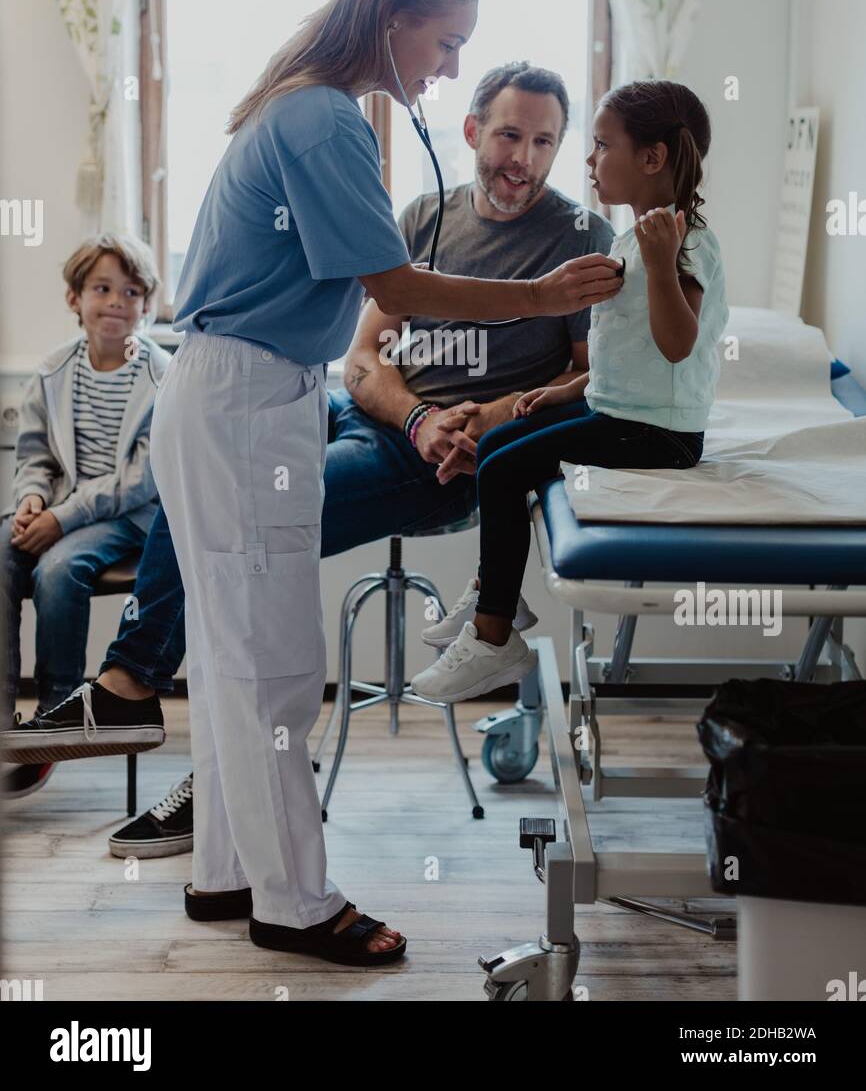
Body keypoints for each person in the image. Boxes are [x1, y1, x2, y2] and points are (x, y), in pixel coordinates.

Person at [142, 0, 623, 967]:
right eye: (445, 41)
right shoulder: (322, 120)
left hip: (242, 392)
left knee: (237, 661)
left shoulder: (311, 104)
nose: (446, 64)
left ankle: (228, 872)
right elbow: (394, 291)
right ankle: (297, 903)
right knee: (273, 665)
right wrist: (539, 296)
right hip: (244, 400)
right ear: (392, 19)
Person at [2, 59, 616, 868]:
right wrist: (419, 409)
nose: (523, 159)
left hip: (445, 465)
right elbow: (362, 358)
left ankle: (188, 752)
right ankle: (149, 704)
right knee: (202, 494)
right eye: (508, 134)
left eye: (544, 142)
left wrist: (483, 416)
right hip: (371, 413)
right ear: (472, 132)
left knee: (243, 542)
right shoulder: (422, 213)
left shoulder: (580, 239)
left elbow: (589, 380)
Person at [410, 79, 729, 704]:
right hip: (620, 407)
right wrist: (567, 391)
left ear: (652, 159)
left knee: (503, 471)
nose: (589, 160)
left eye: (602, 145)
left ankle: (495, 634)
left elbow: (675, 345)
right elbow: (630, 352)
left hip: (658, 433)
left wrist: (662, 267)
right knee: (499, 445)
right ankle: (492, 592)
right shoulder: (635, 235)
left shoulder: (682, 240)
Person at [0, 236, 167, 798]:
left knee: (57, 569)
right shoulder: (52, 372)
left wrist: (61, 520)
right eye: (102, 288)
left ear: (146, 304)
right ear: (75, 299)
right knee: (4, 548)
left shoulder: (161, 376)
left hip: (130, 517)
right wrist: (31, 499)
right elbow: (35, 456)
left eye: (132, 291)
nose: (117, 301)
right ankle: (5, 724)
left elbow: (139, 481)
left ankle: (57, 716)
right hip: (63, 506)